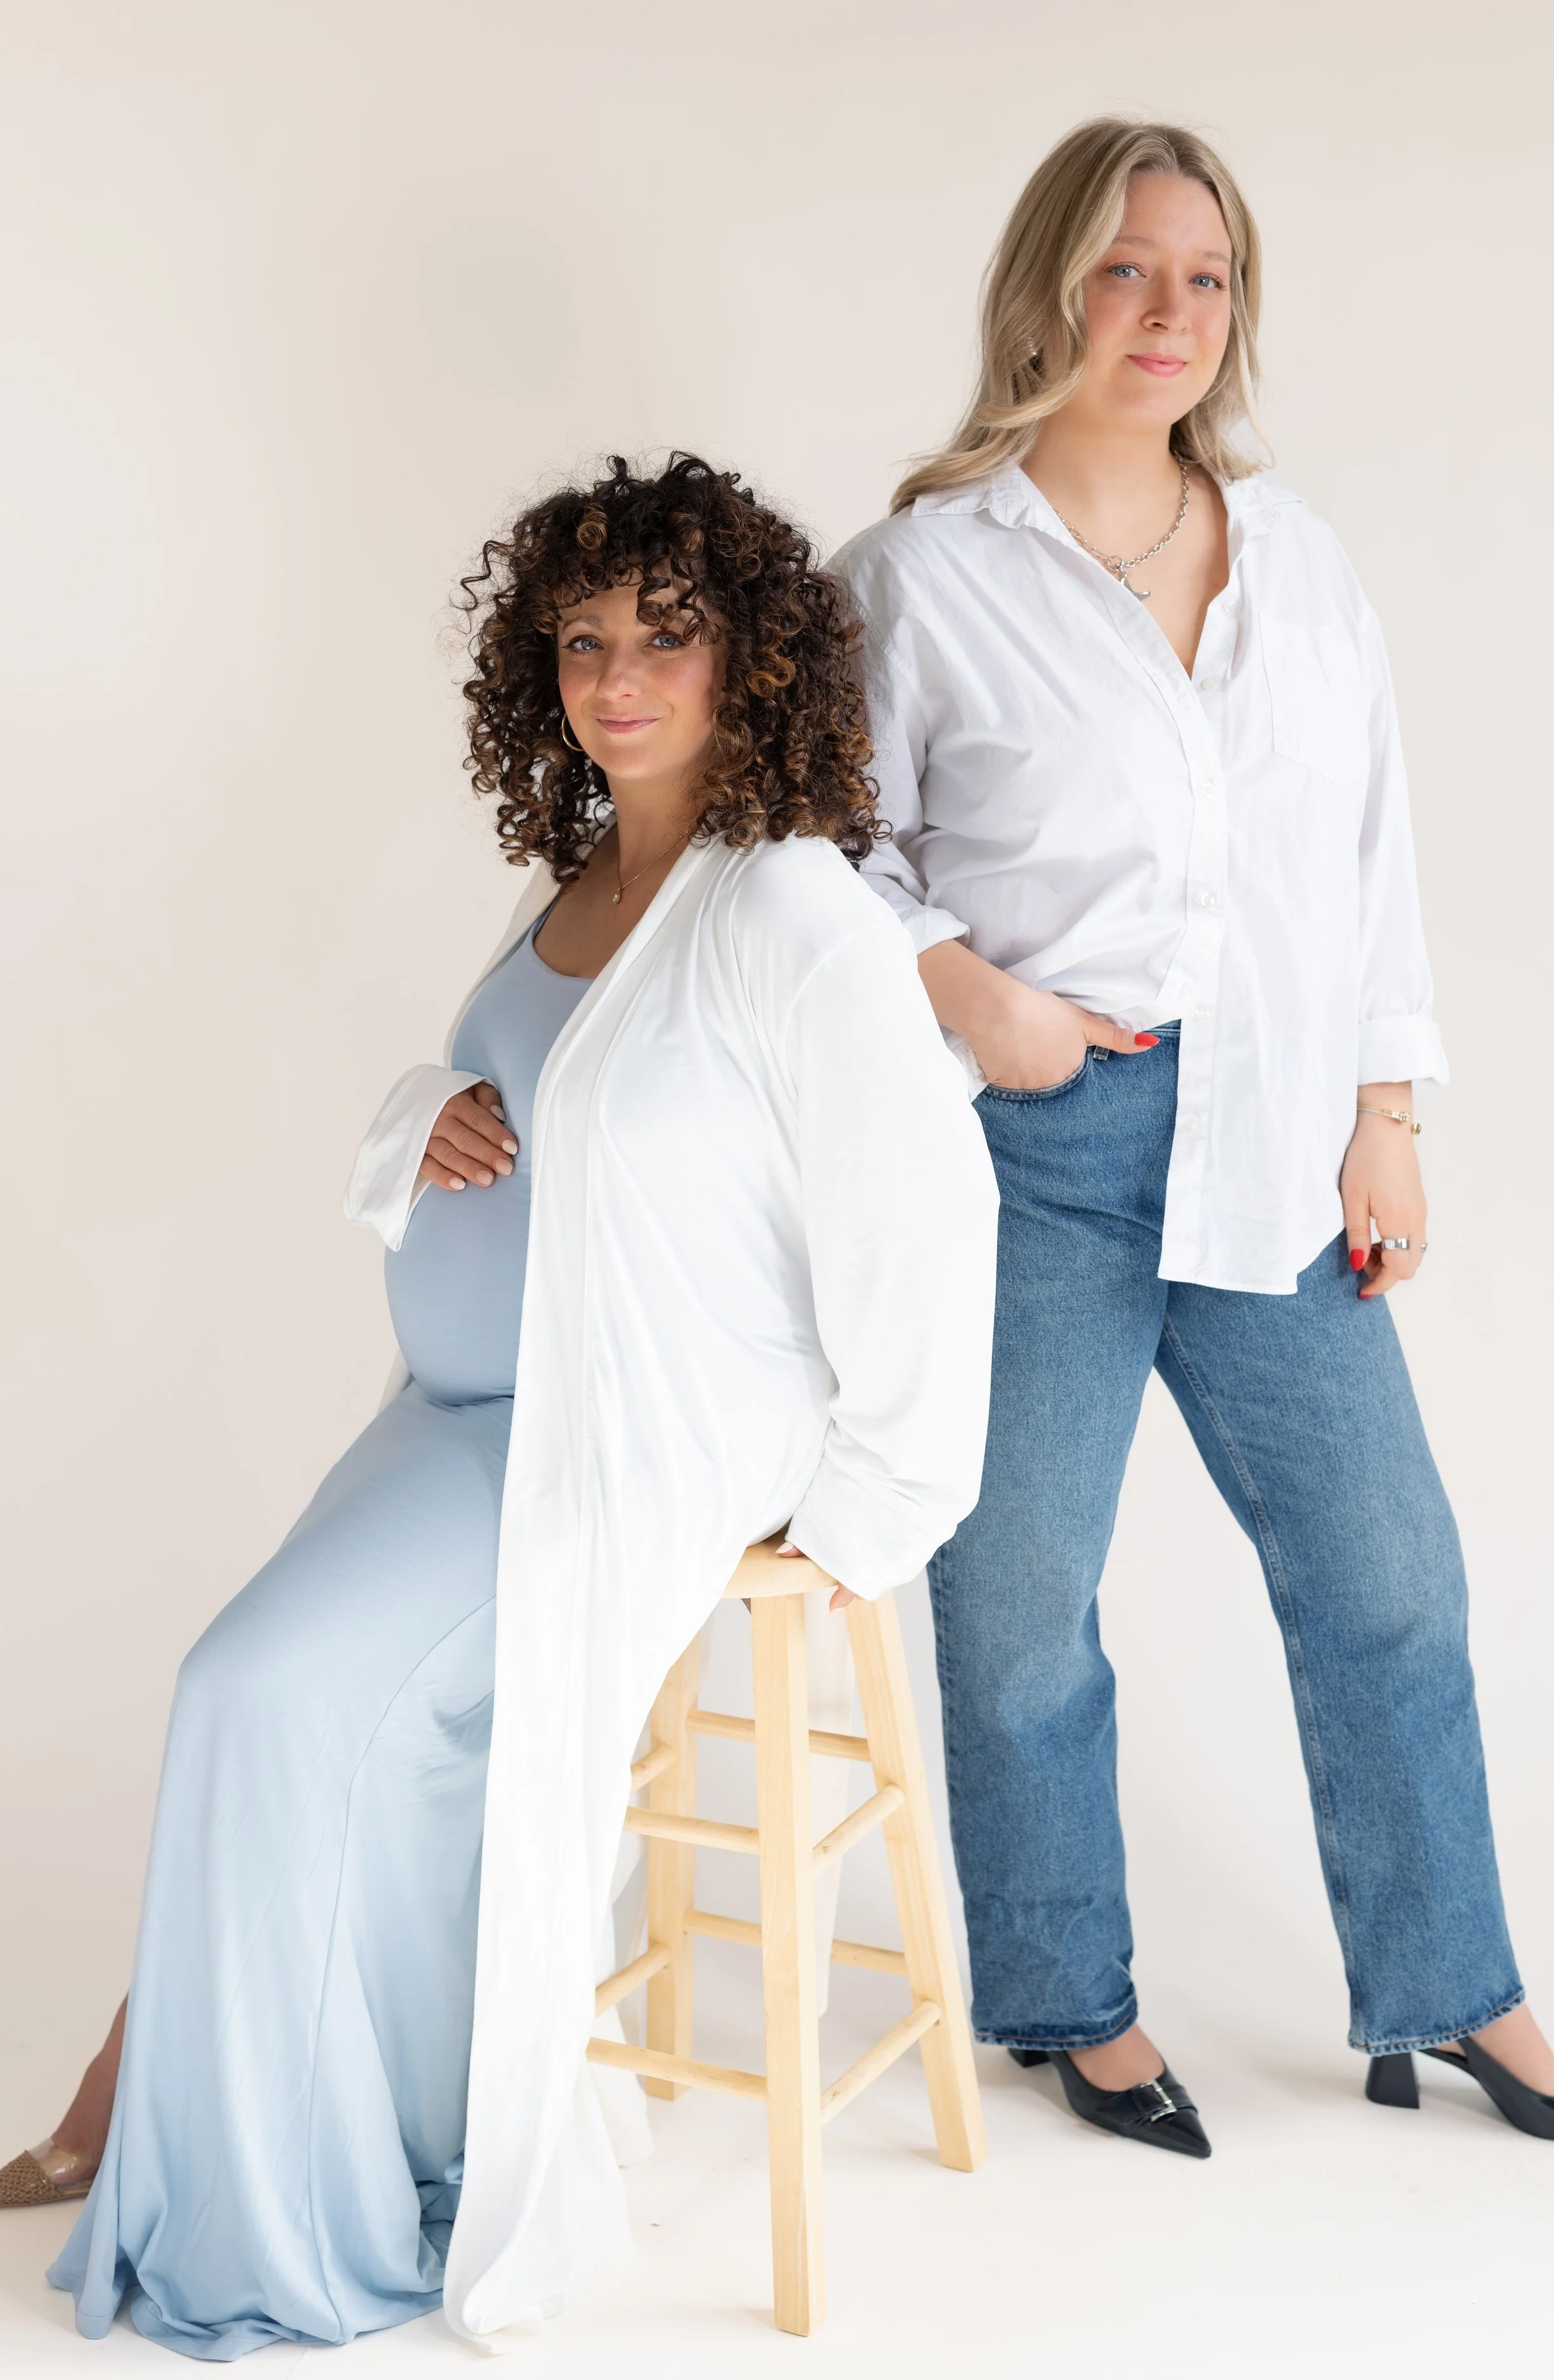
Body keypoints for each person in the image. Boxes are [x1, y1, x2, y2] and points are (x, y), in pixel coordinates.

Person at [6, 453, 999, 2353]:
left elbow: (922, 1219)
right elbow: (501, 1116)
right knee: (273, 1715)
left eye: (664, 639)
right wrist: (423, 1117)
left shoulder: (788, 910)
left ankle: (280, 2225)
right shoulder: (583, 882)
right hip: (447, 1420)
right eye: (582, 640)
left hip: (587, 1454)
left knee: (255, 1689)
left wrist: (870, 1510)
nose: (616, 677)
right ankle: (247, 2120)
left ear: (752, 662)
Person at [834, 117, 1554, 2157]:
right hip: (1035, 1150)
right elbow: (821, 866)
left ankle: (1459, 1983)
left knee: (1389, 1575)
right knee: (1015, 1609)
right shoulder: (917, 575)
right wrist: (967, 996)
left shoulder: (1302, 563)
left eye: (1206, 278)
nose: (1168, 316)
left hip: (1267, 1130)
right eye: (1125, 272)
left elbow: (1368, 855)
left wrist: (1387, 1109)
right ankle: (1070, 1998)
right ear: (1049, 289)